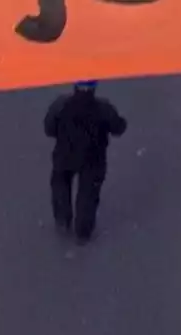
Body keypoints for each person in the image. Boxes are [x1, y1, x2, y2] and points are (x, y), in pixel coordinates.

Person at [44, 80, 128, 243]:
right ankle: (83, 230)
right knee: (88, 193)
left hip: (64, 154)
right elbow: (118, 128)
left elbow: (49, 128)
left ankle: (62, 219)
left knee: (60, 183)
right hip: (93, 157)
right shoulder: (103, 108)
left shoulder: (61, 104)